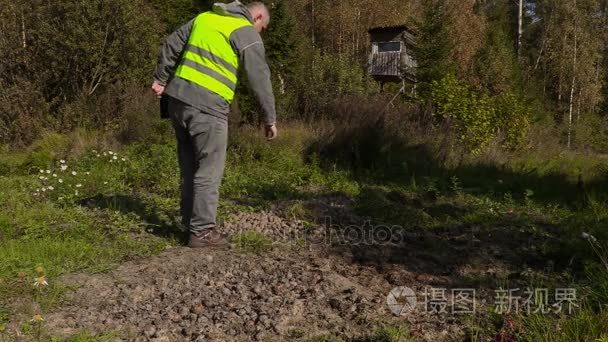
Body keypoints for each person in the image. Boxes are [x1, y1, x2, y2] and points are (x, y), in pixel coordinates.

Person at [151, 1, 278, 248]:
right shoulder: (244, 30)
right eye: (263, 27)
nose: (261, 32)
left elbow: (171, 44)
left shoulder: (205, 18)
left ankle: (190, 225)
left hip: (177, 101)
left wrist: (161, 78)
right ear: (259, 16)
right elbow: (259, 77)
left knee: (190, 167)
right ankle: (202, 232)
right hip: (207, 107)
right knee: (209, 169)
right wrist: (269, 118)